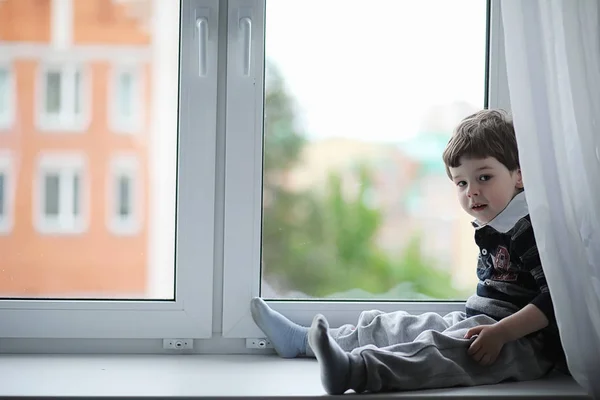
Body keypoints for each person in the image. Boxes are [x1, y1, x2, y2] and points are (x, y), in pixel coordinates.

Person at [250, 109, 564, 394]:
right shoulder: (497, 223)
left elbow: (556, 299)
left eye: (484, 177)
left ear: (519, 175)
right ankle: (301, 341)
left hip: (522, 343)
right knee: (400, 326)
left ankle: (355, 372)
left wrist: (500, 334)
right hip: (483, 321)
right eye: (461, 183)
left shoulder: (527, 228)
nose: (473, 191)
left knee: (435, 352)